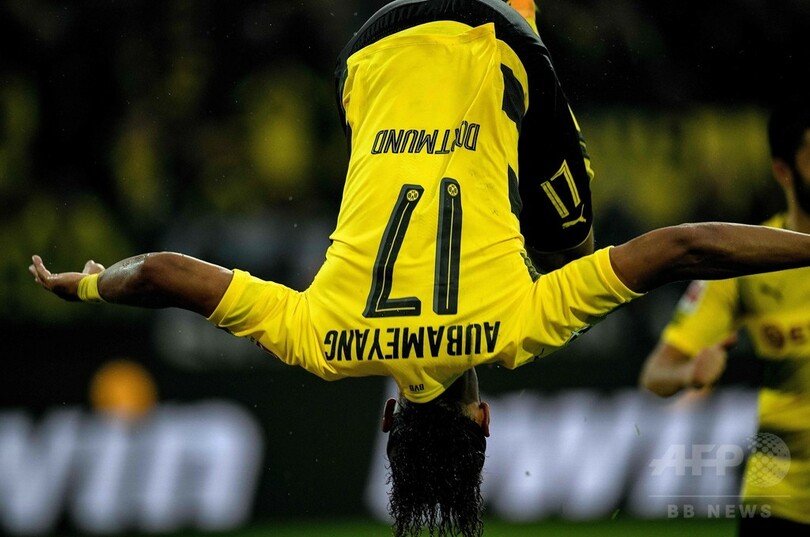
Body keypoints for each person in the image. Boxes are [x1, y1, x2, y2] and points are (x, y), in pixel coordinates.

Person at [28, 0, 810, 535]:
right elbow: (164, 273)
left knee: (572, 237)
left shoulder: (517, 327)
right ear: (387, 420)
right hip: (373, 47)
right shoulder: (322, 341)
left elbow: (683, 247)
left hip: (495, 34)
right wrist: (91, 282)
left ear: (484, 420)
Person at [639, 95, 810, 535]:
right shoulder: (750, 258)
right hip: (781, 503)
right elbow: (656, 374)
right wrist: (689, 373)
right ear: (783, 171)